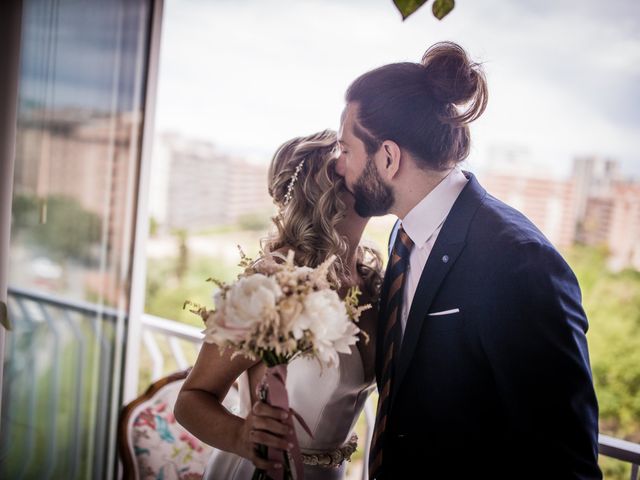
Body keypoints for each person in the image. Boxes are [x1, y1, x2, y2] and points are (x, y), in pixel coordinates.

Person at [334, 41, 602, 479]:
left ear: (387, 156)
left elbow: (566, 458)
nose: (339, 165)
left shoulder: (520, 262)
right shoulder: (402, 234)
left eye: (346, 149)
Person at [174, 129, 383, 480]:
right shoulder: (274, 282)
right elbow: (191, 399)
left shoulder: (373, 280)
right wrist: (241, 436)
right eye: (348, 158)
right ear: (325, 187)